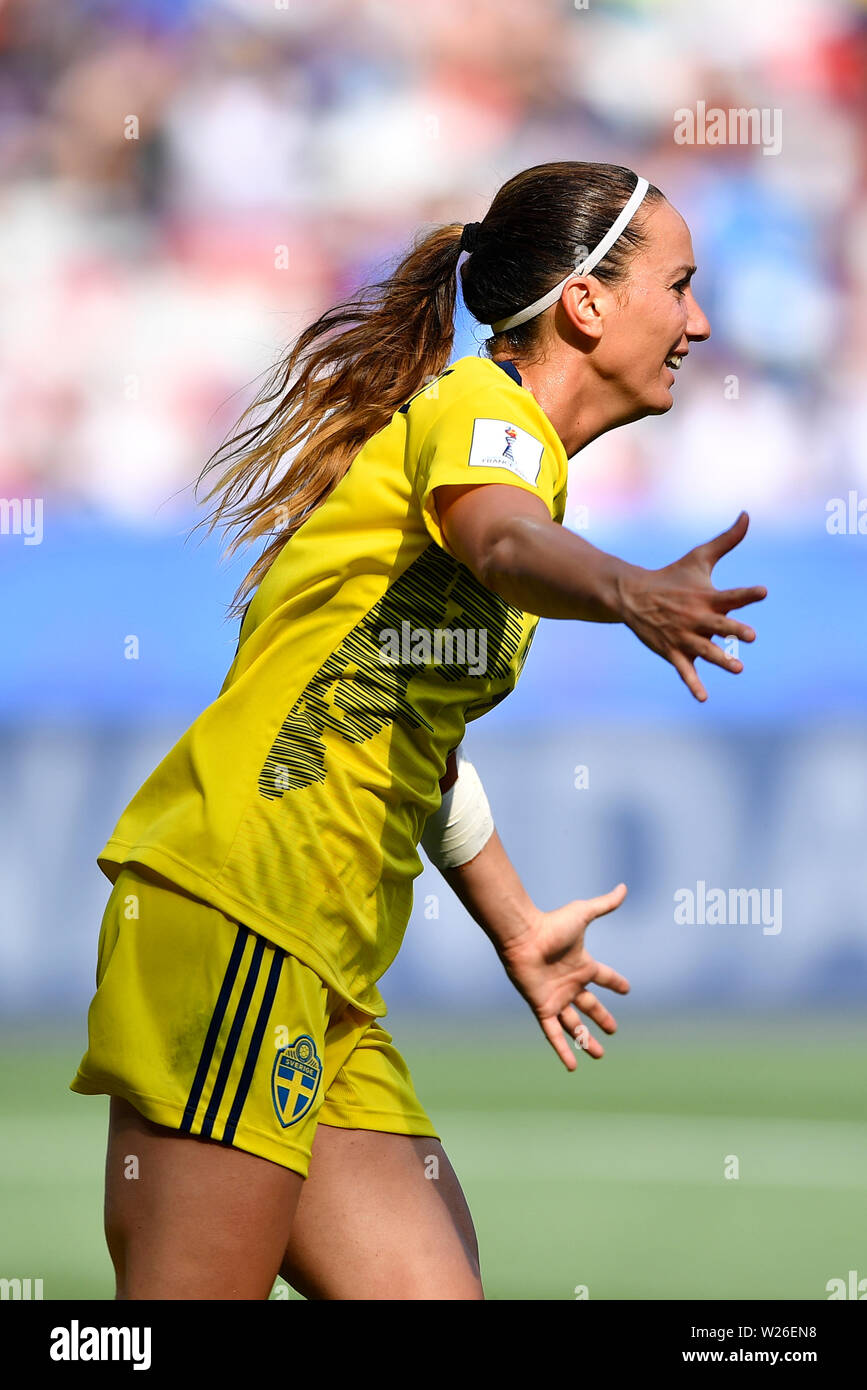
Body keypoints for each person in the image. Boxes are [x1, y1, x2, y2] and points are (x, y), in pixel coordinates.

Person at [70, 161, 766, 1300]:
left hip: (322, 963)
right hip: (247, 908)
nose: (697, 321)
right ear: (588, 305)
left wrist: (516, 925)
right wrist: (630, 589)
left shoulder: (501, 444)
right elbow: (500, 541)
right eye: (681, 285)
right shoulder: (491, 420)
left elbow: (415, 739)